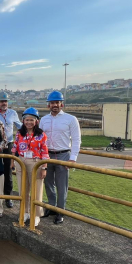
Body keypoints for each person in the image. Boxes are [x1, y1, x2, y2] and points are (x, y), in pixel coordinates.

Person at [40, 91, 81, 225]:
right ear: (49, 105)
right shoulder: (44, 119)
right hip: (48, 155)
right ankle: (51, 207)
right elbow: (39, 139)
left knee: (61, 185)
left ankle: (60, 211)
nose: (55, 105)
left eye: (57, 102)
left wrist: (73, 158)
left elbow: (76, 140)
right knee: (48, 183)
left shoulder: (71, 119)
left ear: (61, 104)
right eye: (52, 103)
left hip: (63, 155)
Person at [11, 108, 49, 227]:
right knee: (23, 189)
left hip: (36, 162)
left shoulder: (41, 134)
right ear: (23, 121)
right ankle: (25, 212)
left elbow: (44, 152)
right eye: (27, 120)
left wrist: (44, 167)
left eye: (31, 120)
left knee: (36, 190)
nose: (29, 122)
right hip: (21, 161)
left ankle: (36, 214)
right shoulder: (19, 133)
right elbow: (14, 148)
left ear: (36, 121)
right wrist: (13, 161)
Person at [0, 91, 22, 209]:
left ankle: (8, 197)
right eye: (1, 101)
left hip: (9, 145)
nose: (4, 103)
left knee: (8, 172)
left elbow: (20, 126)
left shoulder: (13, 113)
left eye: (5, 101)